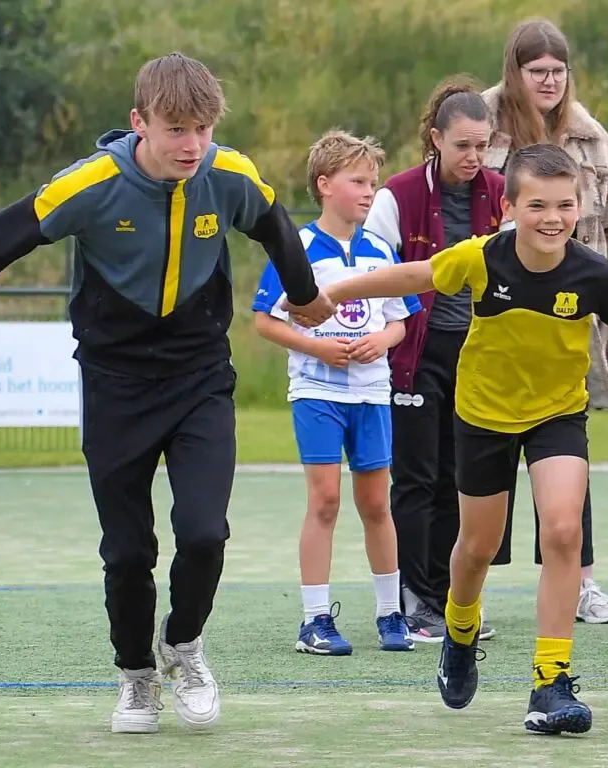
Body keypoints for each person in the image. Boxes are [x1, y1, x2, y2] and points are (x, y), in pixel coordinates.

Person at [0, 53, 334, 734]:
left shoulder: (225, 173)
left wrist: (304, 295)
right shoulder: (90, 185)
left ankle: (183, 646)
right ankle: (135, 675)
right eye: (176, 128)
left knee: (204, 532)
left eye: (203, 128)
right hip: (116, 385)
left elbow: (271, 221)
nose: (192, 145)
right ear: (137, 122)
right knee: (127, 550)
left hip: (200, 376)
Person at [327, 142, 608, 734]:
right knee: (477, 546)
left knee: (562, 531)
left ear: (580, 207)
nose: (552, 218)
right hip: (483, 413)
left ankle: (550, 682)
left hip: (557, 415)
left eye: (565, 205)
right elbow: (416, 275)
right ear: (509, 206)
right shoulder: (482, 258)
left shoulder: (591, 271)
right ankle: (459, 632)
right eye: (537, 205)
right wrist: (333, 292)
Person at [481, 18, 608, 623]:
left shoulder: (596, 143)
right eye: (536, 71)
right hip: (494, 320)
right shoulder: (481, 126)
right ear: (514, 72)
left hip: (574, 320)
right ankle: (473, 588)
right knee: (485, 460)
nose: (549, 82)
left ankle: (580, 584)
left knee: (568, 459)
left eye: (558, 71)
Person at [257, 130, 415, 656]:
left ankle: (391, 615)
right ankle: (314, 621)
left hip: (372, 395)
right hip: (317, 393)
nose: (370, 191)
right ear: (325, 185)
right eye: (358, 181)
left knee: (376, 503)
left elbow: (401, 322)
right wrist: (317, 348)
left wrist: (382, 340)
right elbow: (264, 321)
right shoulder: (297, 248)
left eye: (373, 182)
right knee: (324, 502)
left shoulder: (380, 249)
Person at [365, 76, 507, 644]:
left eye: (482, 146)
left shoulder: (503, 192)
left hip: (480, 356)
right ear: (436, 140)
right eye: (462, 146)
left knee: (461, 476)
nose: (473, 158)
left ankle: (453, 597)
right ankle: (412, 596)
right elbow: (375, 275)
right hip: (415, 354)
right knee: (417, 476)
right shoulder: (396, 196)